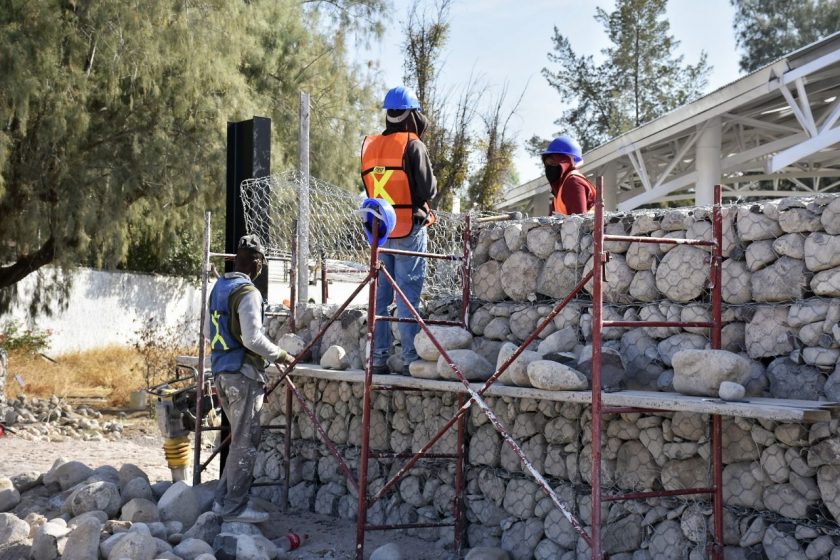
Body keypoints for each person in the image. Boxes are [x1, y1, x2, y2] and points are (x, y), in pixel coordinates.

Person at [206, 234, 295, 523]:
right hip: (243, 374)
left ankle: (221, 502)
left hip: (221, 372)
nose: (261, 269)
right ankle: (235, 508)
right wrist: (282, 355)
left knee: (238, 440)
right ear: (257, 263)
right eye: (262, 265)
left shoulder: (218, 288)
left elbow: (207, 332)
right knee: (245, 443)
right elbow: (252, 338)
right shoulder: (248, 293)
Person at [361, 85, 437, 375]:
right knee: (407, 297)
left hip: (380, 232)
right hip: (409, 229)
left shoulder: (371, 146)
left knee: (380, 298)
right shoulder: (413, 144)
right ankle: (409, 359)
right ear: (412, 114)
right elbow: (427, 190)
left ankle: (378, 358)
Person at [542, 135, 596, 215]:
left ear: (565, 162)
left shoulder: (573, 182)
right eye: (548, 163)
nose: (550, 167)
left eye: (553, 162)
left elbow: (578, 220)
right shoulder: (561, 187)